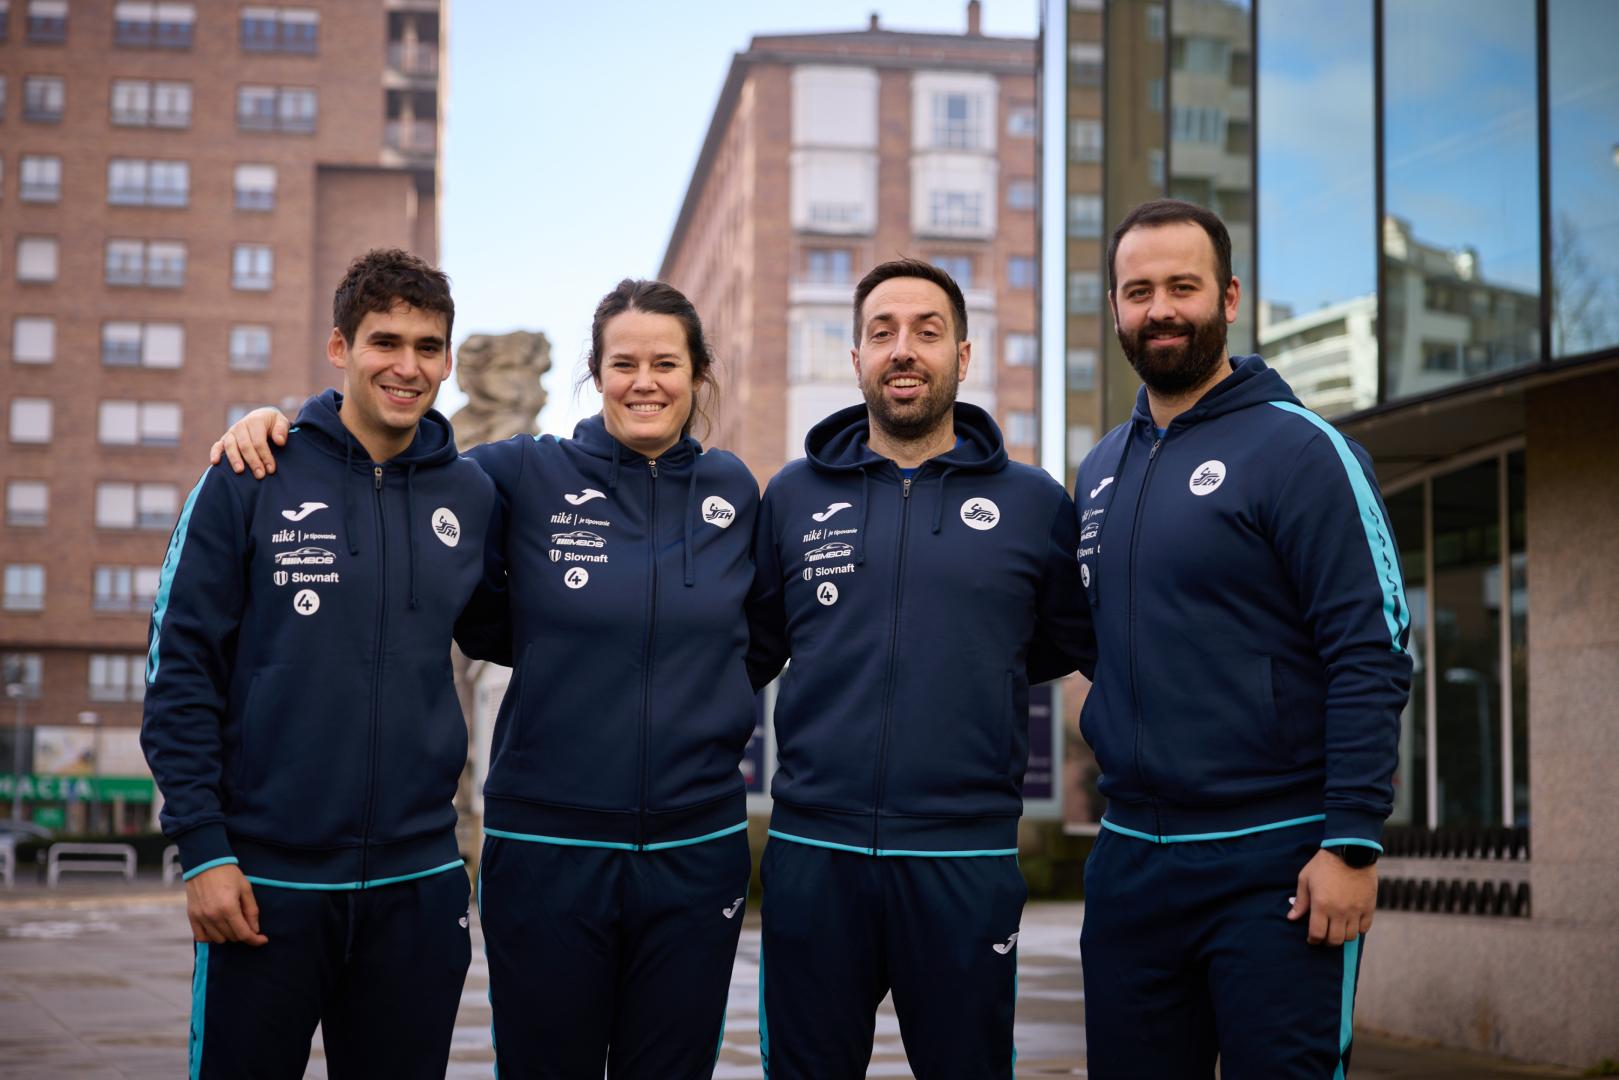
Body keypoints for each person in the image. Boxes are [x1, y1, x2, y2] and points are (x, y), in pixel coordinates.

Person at [212, 279, 759, 1080]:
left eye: (666, 363)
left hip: (693, 848)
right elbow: (393, 458)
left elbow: (764, 632)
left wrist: (706, 702)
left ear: (698, 374)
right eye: (623, 363)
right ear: (594, 374)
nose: (645, 381)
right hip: (544, 845)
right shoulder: (516, 474)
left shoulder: (735, 490)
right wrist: (288, 424)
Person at [1071, 198, 1413, 1078]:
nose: (1158, 310)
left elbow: (1370, 649)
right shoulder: (1102, 467)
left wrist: (1349, 842)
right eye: (1137, 291)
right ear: (1113, 308)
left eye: (1181, 287)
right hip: (1131, 864)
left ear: (1227, 298)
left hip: (1279, 864)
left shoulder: (1301, 451)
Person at [141, 249, 493, 1078]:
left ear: (447, 357)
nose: (408, 367)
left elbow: (532, 626)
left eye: (428, 346)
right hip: (266, 884)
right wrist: (203, 848)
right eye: (385, 342)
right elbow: (179, 662)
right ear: (340, 348)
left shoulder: (470, 495)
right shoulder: (249, 470)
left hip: (418, 885)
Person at [745, 258, 1094, 1079]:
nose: (904, 350)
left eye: (926, 332)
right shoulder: (792, 496)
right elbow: (749, 650)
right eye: (882, 332)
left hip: (962, 860)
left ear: (962, 358)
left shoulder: (1033, 503)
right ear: (857, 357)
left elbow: (1060, 644)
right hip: (812, 854)